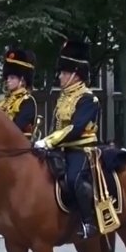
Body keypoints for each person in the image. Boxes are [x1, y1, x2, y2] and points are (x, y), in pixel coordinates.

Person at [34, 40, 100, 239]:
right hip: (61, 148)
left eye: (63, 73)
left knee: (73, 179)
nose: (60, 76)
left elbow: (76, 128)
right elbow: (57, 127)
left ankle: (89, 222)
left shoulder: (89, 99)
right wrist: (44, 143)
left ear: (75, 74)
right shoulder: (62, 98)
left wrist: (49, 141)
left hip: (81, 150)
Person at [0, 48, 38, 139]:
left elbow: (16, 127)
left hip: (20, 147)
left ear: (22, 79)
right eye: (7, 78)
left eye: (12, 78)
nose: (8, 81)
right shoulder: (3, 102)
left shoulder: (28, 101)